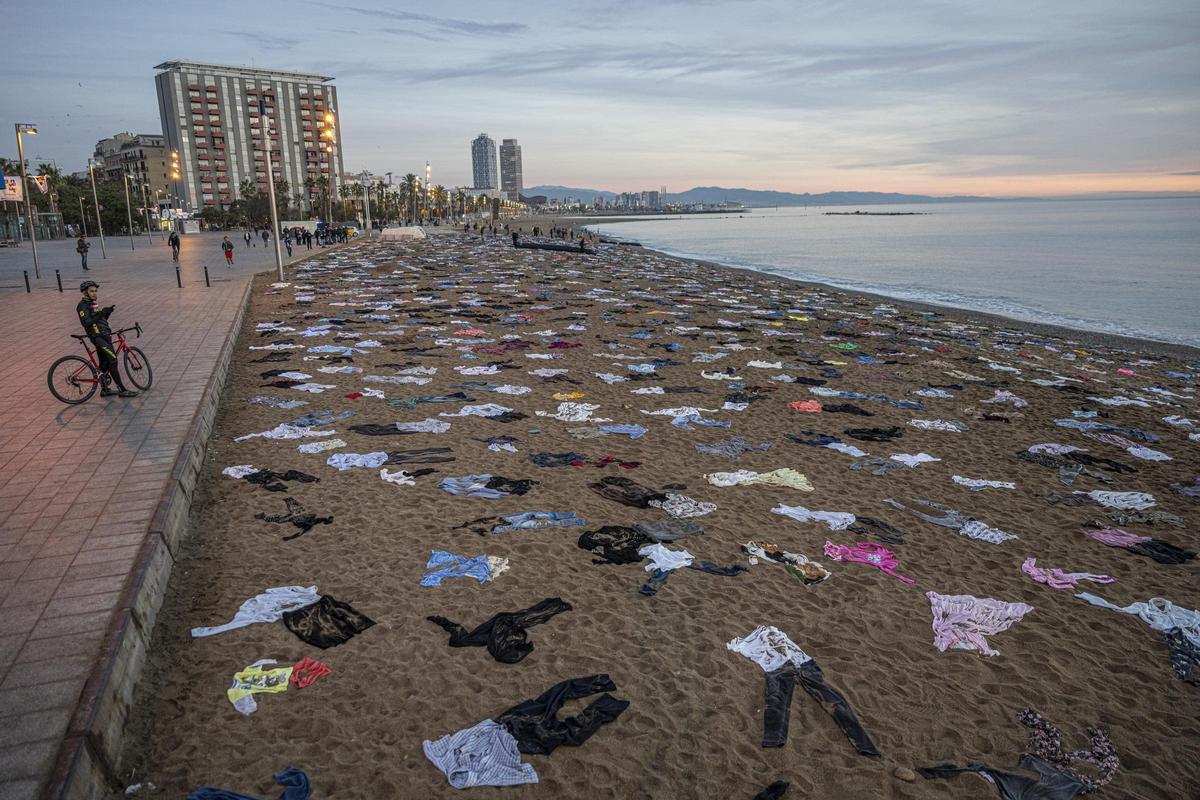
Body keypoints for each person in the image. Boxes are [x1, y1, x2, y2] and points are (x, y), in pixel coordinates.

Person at [77, 281, 137, 398]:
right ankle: (122, 390)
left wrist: (106, 313)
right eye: (91, 291)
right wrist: (100, 314)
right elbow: (87, 322)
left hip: (105, 336)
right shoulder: (82, 306)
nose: (94, 293)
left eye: (95, 291)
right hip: (98, 337)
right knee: (113, 361)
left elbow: (98, 320)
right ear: (85, 293)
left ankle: (105, 390)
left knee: (104, 364)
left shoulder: (92, 303)